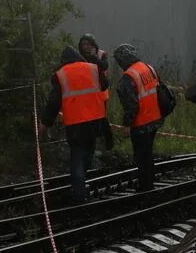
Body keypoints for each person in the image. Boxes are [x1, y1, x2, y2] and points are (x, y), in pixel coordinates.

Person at [40, 45, 110, 202]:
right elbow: (105, 85)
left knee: (77, 156)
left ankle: (79, 194)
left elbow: (54, 103)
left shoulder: (61, 75)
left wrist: (45, 123)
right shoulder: (93, 68)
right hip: (95, 120)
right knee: (88, 153)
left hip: (76, 123)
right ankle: (81, 184)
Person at [113, 43, 163, 192]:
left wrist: (127, 125)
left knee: (142, 157)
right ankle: (149, 184)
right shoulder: (148, 68)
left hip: (141, 123)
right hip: (155, 119)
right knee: (148, 154)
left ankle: (145, 187)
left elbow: (131, 105)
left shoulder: (129, 76)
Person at [78, 32, 115, 149]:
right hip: (86, 92)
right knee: (88, 117)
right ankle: (92, 141)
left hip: (100, 91)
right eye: (84, 44)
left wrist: (93, 57)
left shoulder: (101, 54)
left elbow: (104, 66)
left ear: (93, 45)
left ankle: (108, 139)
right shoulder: (78, 56)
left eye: (88, 44)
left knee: (101, 116)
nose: (86, 47)